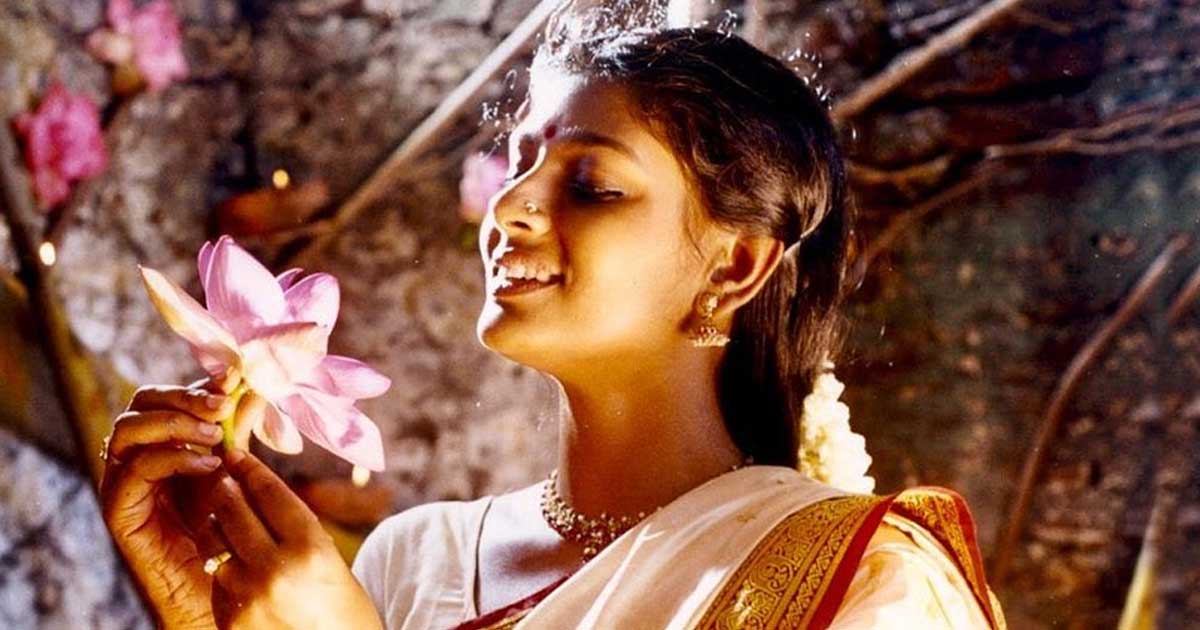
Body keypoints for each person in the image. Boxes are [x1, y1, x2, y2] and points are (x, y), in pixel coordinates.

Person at [99, 22, 1006, 630]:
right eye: (519, 164)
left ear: (734, 267)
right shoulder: (412, 560)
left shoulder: (864, 579)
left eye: (592, 185)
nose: (511, 207)